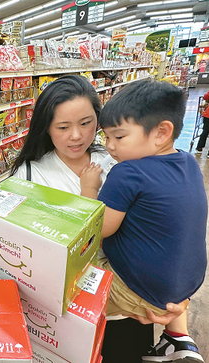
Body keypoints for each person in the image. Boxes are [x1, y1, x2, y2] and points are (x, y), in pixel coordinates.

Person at [11, 75, 189, 363]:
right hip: (67, 312)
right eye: (63, 127)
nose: (77, 136)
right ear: (46, 127)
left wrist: (172, 295)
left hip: (127, 312)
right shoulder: (30, 175)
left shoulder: (123, 157)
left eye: (86, 123)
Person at [81, 80, 207, 363]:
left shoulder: (128, 172)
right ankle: (177, 337)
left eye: (119, 137)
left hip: (140, 291)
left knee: (77, 267)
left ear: (162, 132)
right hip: (185, 285)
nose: (111, 147)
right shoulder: (187, 162)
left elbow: (98, 229)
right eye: (106, 137)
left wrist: (89, 189)